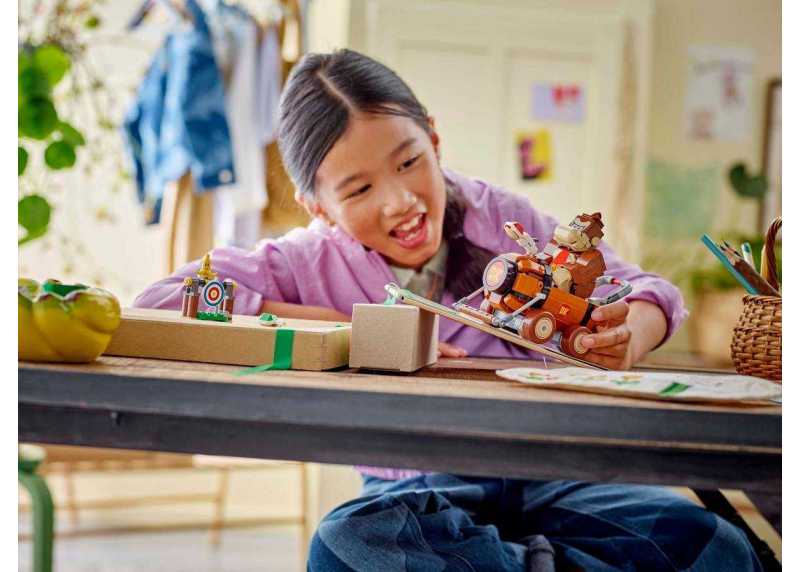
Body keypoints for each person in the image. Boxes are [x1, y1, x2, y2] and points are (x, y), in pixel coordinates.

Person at [134, 49, 761, 571]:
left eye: (410, 162)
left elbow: (649, 292)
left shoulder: (503, 218)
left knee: (717, 547)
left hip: (557, 469)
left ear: (434, 139)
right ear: (317, 206)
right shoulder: (303, 262)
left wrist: (634, 331)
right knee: (345, 547)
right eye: (359, 189)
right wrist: (361, 332)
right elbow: (163, 301)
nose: (400, 201)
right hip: (417, 491)